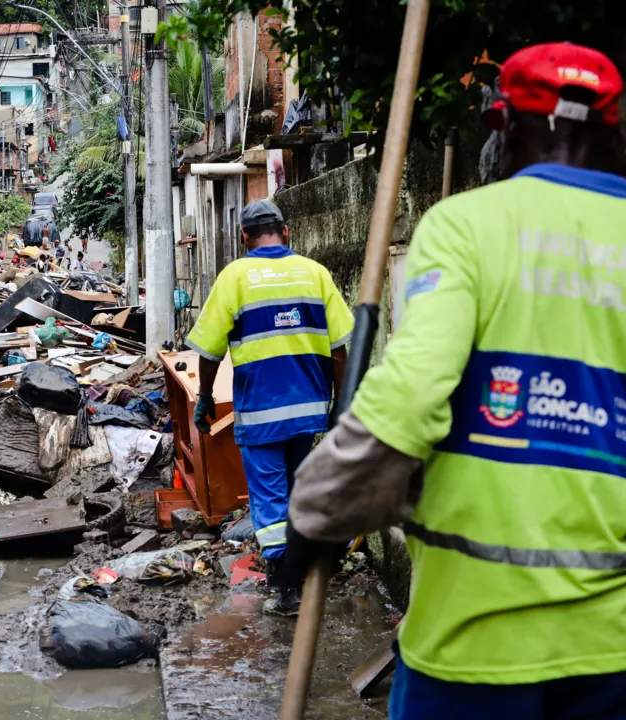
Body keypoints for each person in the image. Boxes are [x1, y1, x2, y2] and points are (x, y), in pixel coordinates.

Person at [288, 43, 626, 716]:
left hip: (473, 641)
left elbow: (410, 398)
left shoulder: (467, 227)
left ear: (502, 127)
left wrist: (317, 514)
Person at [187, 199, 352, 615]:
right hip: (310, 409)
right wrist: (340, 404)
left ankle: (287, 589)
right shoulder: (316, 274)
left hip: (261, 411)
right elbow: (339, 350)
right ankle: (309, 567)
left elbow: (209, 352)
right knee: (298, 491)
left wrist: (205, 398)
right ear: (286, 230)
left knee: (269, 499)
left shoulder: (235, 277)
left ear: (245, 236)